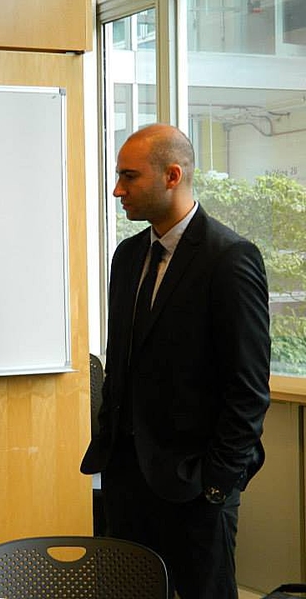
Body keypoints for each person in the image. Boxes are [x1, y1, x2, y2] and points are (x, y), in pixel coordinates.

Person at [81, 124, 270, 599]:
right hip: (126, 485)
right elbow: (122, 364)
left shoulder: (229, 259)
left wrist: (216, 485)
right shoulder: (127, 257)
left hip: (195, 489)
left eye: (129, 176)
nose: (117, 189)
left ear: (171, 175)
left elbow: (247, 389)